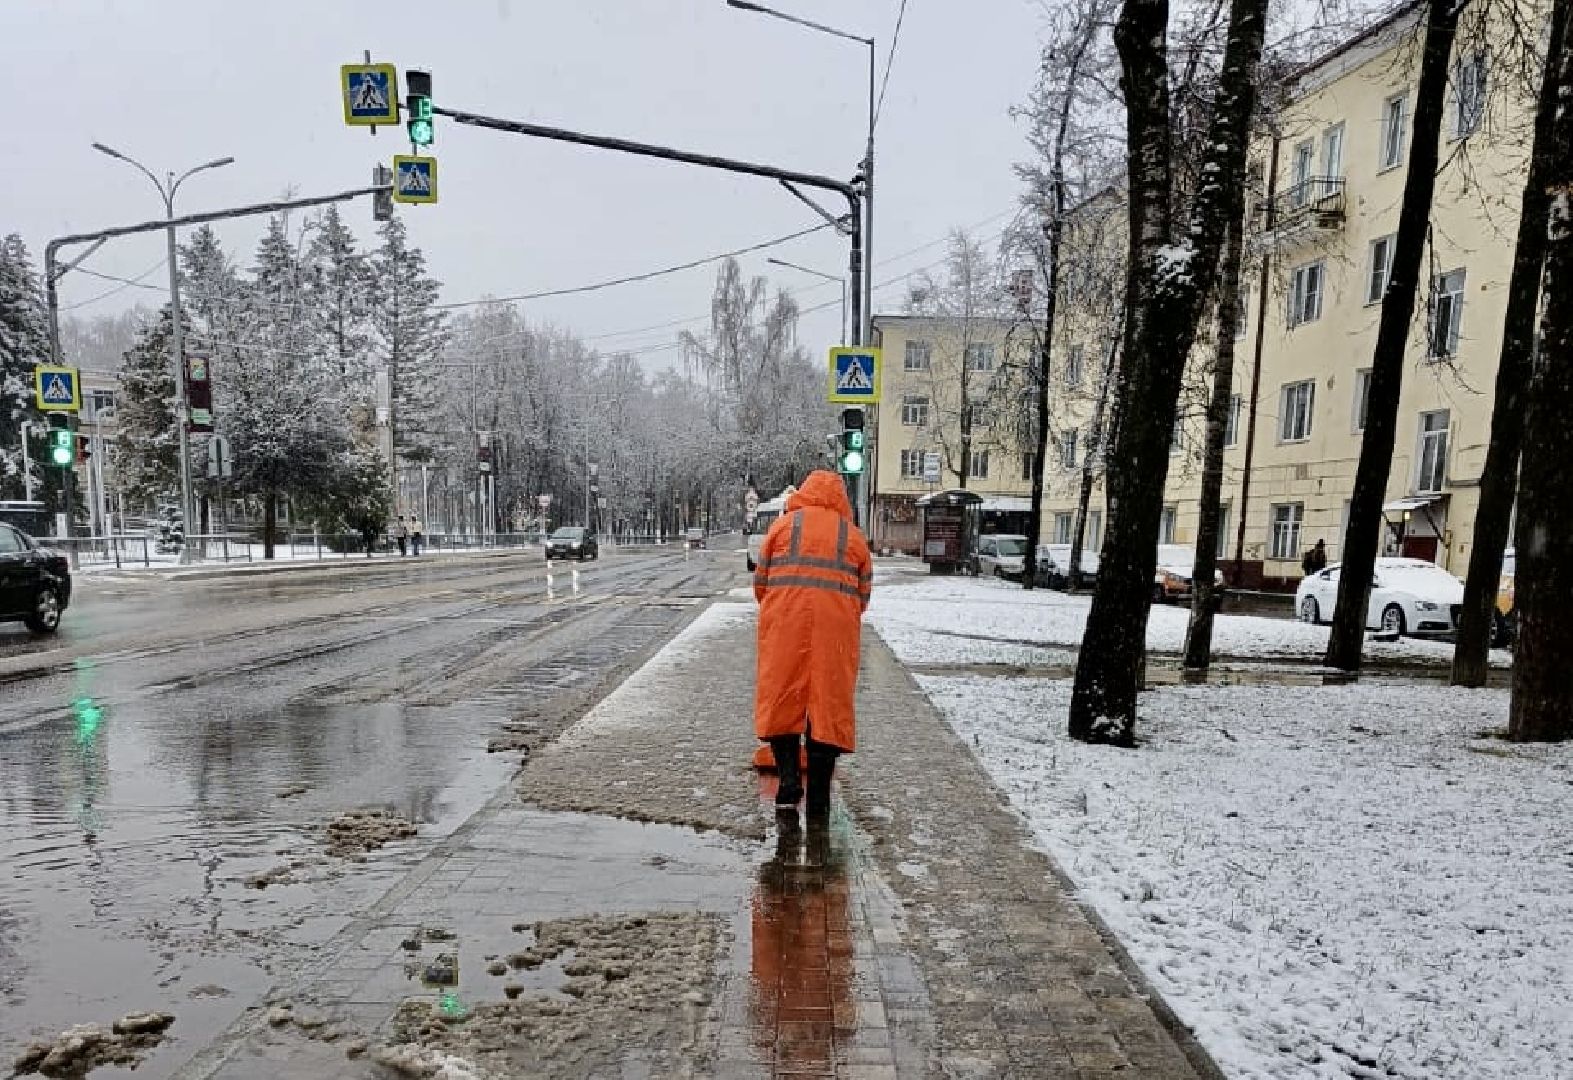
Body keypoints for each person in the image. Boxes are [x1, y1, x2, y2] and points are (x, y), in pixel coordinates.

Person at [752, 470, 873, 820]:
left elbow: (760, 584)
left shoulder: (782, 528)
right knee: (827, 706)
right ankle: (819, 796)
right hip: (834, 633)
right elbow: (863, 595)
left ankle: (789, 780)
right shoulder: (852, 538)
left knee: (782, 699)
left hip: (785, 627)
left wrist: (784, 607)